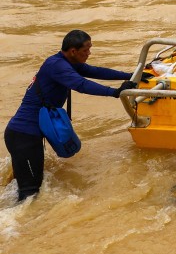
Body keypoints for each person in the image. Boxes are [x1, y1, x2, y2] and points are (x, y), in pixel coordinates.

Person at [3, 30, 136, 202]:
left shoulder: (68, 62)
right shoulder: (56, 66)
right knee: (30, 193)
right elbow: (81, 84)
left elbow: (96, 71)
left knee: (24, 182)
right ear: (73, 51)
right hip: (24, 136)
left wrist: (130, 75)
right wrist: (115, 93)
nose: (89, 53)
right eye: (86, 50)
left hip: (26, 136)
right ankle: (14, 225)